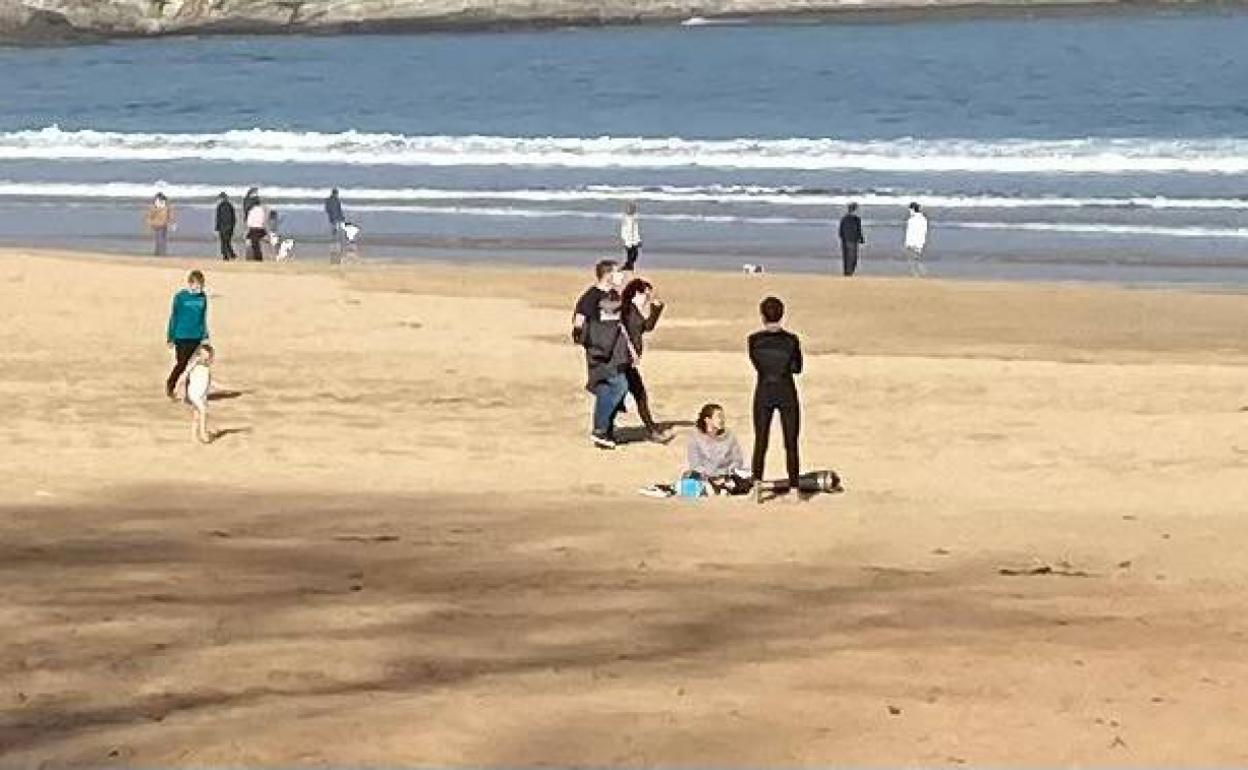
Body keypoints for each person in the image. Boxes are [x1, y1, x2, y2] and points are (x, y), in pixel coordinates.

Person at [572, 259, 630, 449]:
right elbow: (579, 319)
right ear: (607, 275)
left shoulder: (613, 295)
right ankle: (600, 429)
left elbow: (618, 323)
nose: (621, 276)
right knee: (620, 386)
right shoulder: (592, 295)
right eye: (617, 272)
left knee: (605, 390)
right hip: (600, 352)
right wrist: (589, 343)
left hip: (614, 351)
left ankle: (604, 430)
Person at [748, 296, 803, 497]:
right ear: (782, 315)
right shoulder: (791, 340)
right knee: (791, 442)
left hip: (764, 390)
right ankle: (794, 488)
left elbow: (757, 364)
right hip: (786, 390)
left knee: (761, 441)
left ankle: (757, 487)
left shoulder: (754, 340)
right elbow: (797, 368)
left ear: (762, 316)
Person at [617, 277, 672, 443]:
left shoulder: (631, 310)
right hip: (623, 361)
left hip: (625, 361)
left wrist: (657, 309)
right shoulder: (628, 311)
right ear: (636, 294)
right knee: (636, 395)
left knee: (627, 395)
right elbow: (641, 328)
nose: (647, 299)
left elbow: (647, 326)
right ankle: (651, 430)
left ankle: (650, 428)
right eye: (646, 296)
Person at [687, 403, 753, 494]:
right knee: (689, 484)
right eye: (719, 417)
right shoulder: (696, 437)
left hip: (726, 476)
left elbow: (737, 460)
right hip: (705, 476)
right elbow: (695, 463)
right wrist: (713, 476)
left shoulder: (729, 435)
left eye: (723, 417)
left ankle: (723, 487)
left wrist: (727, 472)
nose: (722, 420)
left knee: (747, 478)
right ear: (707, 420)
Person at [165, 270, 209, 399]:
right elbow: (174, 316)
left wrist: (205, 335)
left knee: (194, 365)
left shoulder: (203, 297)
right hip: (181, 336)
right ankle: (171, 383)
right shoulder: (180, 297)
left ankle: (190, 391)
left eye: (201, 286)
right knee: (182, 363)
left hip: (196, 336)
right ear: (190, 284)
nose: (199, 289)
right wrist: (170, 336)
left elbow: (203, 317)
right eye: (197, 285)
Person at [174, 343, 215, 444]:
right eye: (202, 355)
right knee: (203, 411)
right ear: (199, 354)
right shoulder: (194, 364)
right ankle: (203, 434)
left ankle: (194, 435)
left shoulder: (206, 367)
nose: (205, 357)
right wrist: (177, 387)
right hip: (194, 393)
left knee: (197, 415)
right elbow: (184, 375)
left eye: (207, 356)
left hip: (201, 394)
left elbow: (208, 381)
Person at [838, 202, 865, 276]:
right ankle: (849, 273)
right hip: (852, 239)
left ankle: (847, 272)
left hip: (846, 239)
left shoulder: (844, 218)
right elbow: (858, 230)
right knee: (852, 258)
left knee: (847, 257)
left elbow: (840, 231)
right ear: (855, 209)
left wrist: (842, 238)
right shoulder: (856, 219)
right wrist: (861, 238)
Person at [904, 201, 929, 277]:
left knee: (913, 259)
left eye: (910, 210)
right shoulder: (923, 219)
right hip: (920, 242)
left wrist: (907, 243)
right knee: (916, 258)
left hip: (912, 242)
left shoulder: (911, 220)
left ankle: (918, 273)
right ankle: (920, 273)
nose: (909, 211)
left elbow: (910, 232)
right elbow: (924, 231)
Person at [214, 192, 236, 261]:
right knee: (227, 241)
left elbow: (218, 218)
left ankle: (226, 255)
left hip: (223, 226)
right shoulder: (230, 206)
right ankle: (231, 254)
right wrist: (233, 226)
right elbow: (234, 218)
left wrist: (217, 227)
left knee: (224, 241)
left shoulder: (220, 206)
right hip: (229, 226)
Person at [244, 194, 267, 261]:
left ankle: (257, 258)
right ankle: (256, 257)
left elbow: (249, 222)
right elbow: (263, 220)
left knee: (253, 244)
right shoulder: (262, 210)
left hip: (254, 229)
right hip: (261, 229)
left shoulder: (252, 211)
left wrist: (248, 228)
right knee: (256, 243)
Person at [620, 201, 642, 271]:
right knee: (630, 254)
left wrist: (638, 239)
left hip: (634, 239)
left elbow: (635, 230)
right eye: (630, 208)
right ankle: (629, 266)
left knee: (635, 254)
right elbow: (624, 229)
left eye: (633, 208)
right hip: (628, 239)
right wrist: (624, 238)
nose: (632, 210)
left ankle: (629, 265)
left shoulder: (634, 218)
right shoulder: (626, 218)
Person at [325, 188, 346, 258]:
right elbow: (339, 209)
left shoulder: (328, 200)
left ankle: (335, 237)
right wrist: (342, 216)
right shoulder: (337, 200)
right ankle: (336, 238)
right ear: (336, 193)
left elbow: (327, 209)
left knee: (334, 226)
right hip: (336, 215)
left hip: (332, 215)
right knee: (336, 226)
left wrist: (330, 213)